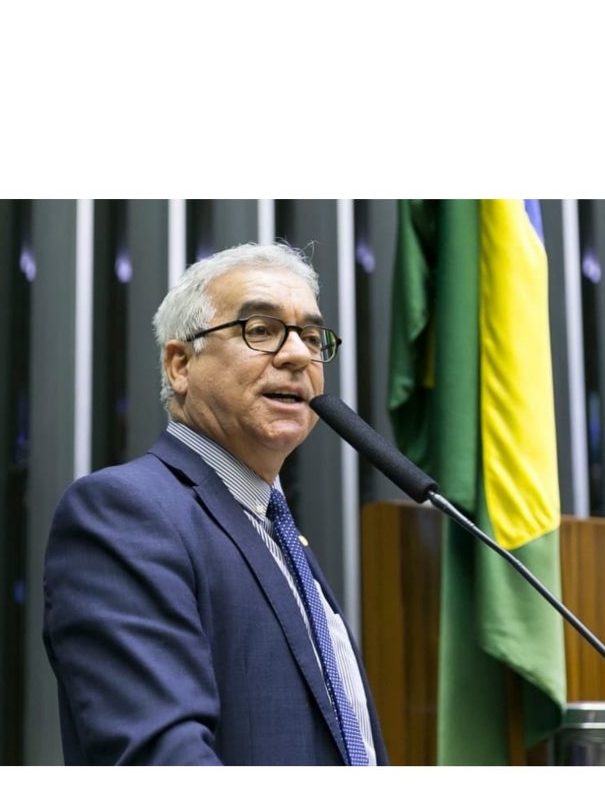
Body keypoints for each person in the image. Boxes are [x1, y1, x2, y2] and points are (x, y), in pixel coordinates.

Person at [42, 242, 388, 765]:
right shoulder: (124, 513)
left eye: (312, 337)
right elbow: (162, 758)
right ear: (180, 365)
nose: (298, 355)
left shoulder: (278, 531)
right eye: (261, 330)